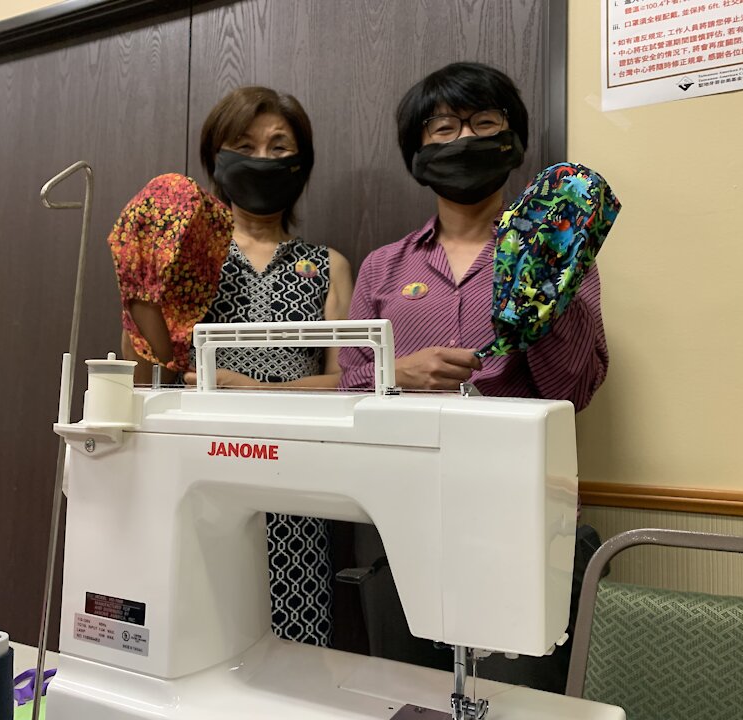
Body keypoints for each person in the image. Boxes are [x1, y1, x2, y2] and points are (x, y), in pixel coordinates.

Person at [337, 61, 610, 693]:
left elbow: (575, 392)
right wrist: (396, 372)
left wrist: (541, 287)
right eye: (442, 128)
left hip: (527, 527)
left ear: (512, 140)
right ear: (417, 152)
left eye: (483, 122)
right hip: (403, 526)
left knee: (526, 703)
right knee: (413, 699)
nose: (464, 139)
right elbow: (348, 386)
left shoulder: (557, 252)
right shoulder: (383, 268)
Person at [120, 86, 353, 648]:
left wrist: (260, 388)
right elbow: (145, 372)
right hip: (196, 478)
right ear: (216, 158)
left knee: (294, 656)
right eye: (245, 144)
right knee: (196, 642)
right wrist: (142, 281)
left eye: (280, 147)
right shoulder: (189, 255)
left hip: (297, 487)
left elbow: (352, 383)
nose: (263, 158)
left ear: (301, 166)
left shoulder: (328, 266)